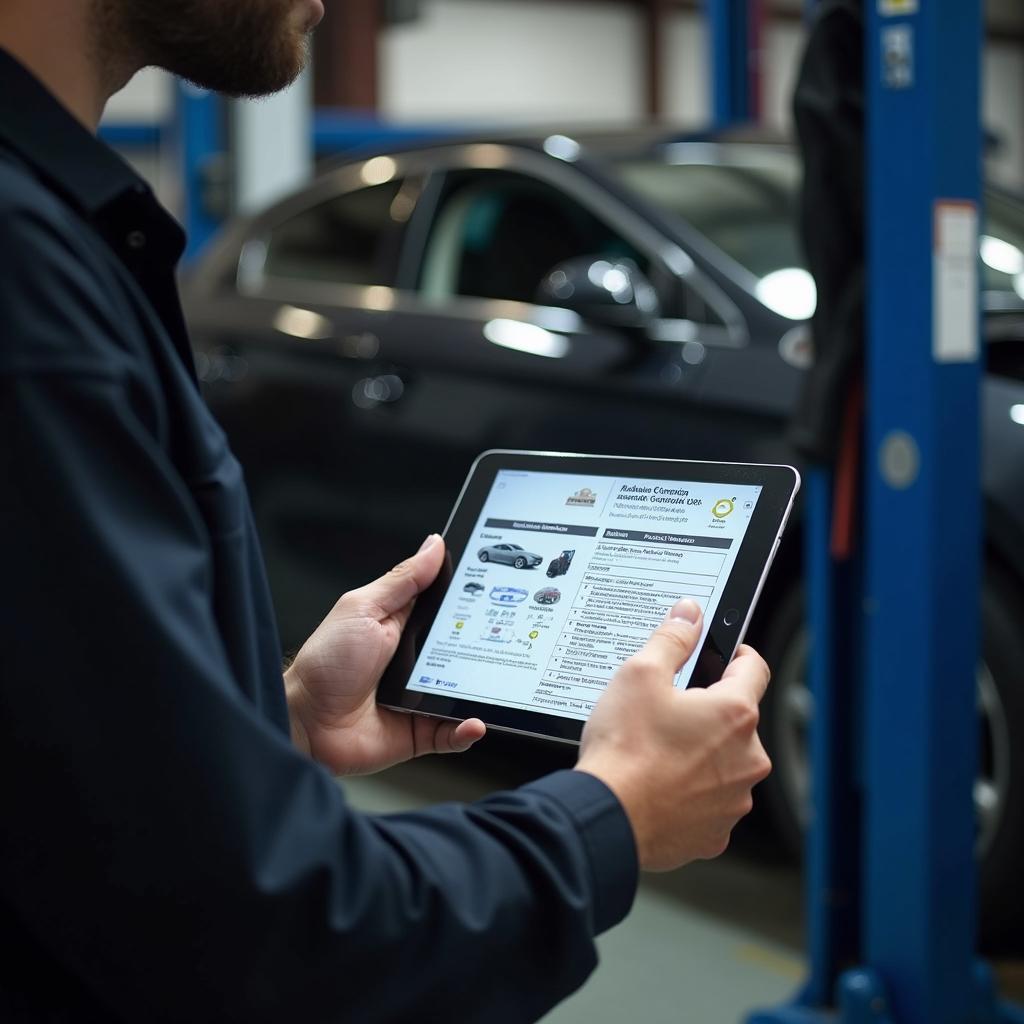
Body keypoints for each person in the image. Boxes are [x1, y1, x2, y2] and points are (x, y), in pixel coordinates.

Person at [0, 1, 772, 1020]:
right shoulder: (28, 277)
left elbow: (62, 783)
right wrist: (617, 812)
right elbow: (265, 937)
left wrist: (269, 722)